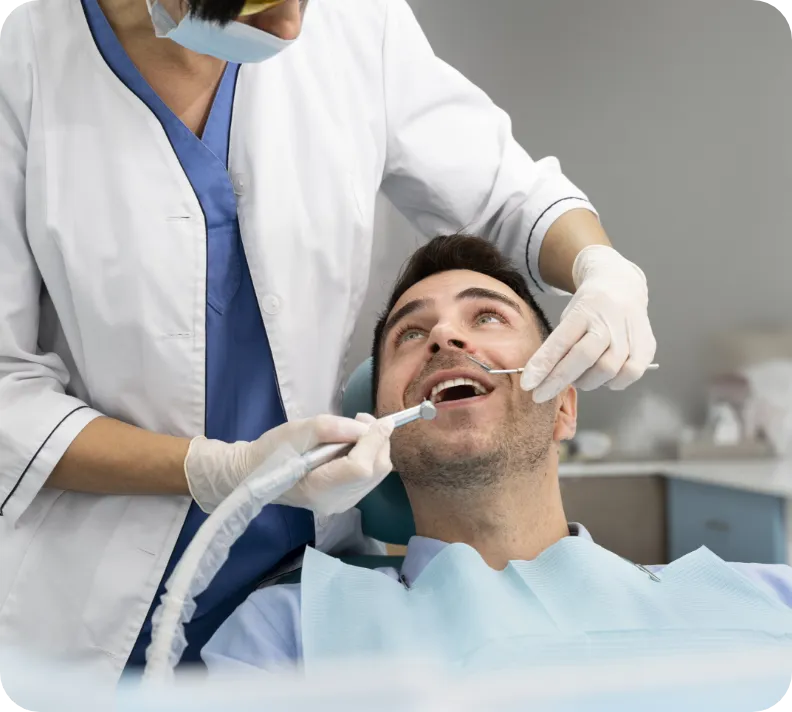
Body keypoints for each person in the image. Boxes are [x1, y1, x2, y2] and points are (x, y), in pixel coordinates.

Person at [0, 0, 657, 682]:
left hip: (302, 579)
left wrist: (599, 267)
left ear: (567, 406)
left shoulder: (357, 22)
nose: (293, 28)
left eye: (486, 316)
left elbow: (506, 193)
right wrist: (224, 470)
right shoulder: (20, 58)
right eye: (260, 2)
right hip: (81, 608)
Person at [202, 235, 792, 674]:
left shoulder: (770, 598)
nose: (444, 338)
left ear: (564, 405)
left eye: (486, 316)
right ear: (381, 428)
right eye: (411, 333)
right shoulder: (286, 636)